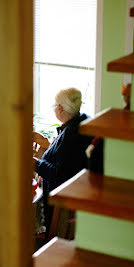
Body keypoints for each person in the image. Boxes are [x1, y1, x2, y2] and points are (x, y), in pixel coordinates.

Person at [34, 88, 93, 238]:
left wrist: (36, 164)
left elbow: (61, 175)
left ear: (59, 108)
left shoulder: (71, 136)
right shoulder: (80, 123)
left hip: (60, 205)